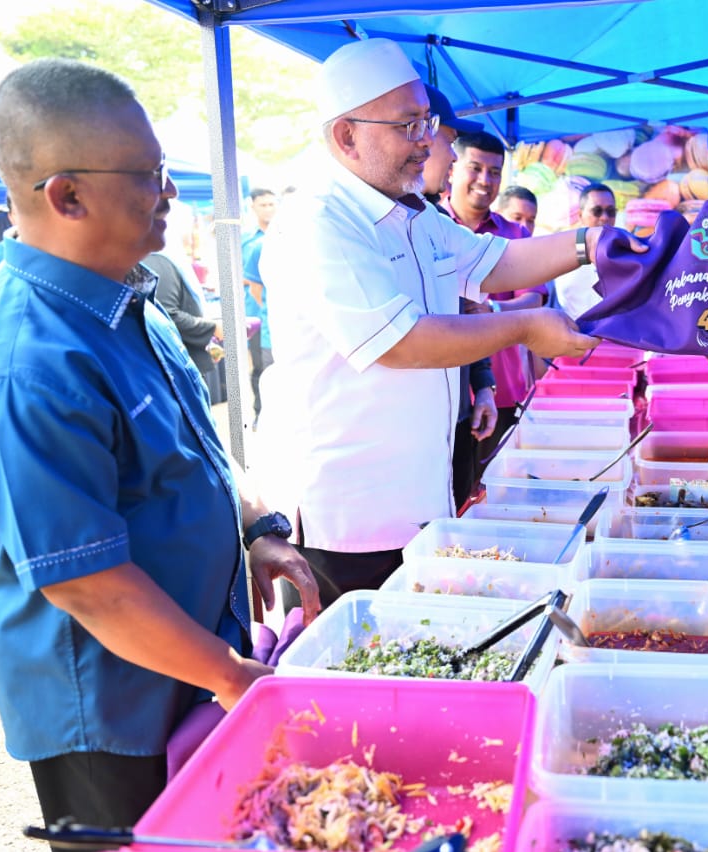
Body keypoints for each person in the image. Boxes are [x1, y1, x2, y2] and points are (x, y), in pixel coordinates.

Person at [0, 59, 320, 837]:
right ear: (66, 196)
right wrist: (229, 674)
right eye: (148, 174)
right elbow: (87, 583)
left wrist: (258, 527)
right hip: (110, 706)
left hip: (192, 659)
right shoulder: (24, 364)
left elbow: (193, 445)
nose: (168, 191)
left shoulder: (125, 296)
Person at [259, 38, 628, 609]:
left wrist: (592, 242)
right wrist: (525, 327)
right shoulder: (319, 222)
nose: (425, 141)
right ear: (347, 135)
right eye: (408, 126)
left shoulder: (414, 213)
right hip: (349, 518)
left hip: (418, 501)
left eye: (426, 123)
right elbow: (402, 342)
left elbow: (497, 263)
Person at [442, 129, 547, 469]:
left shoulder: (514, 234)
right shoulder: (431, 227)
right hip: (443, 388)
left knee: (496, 483)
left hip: (502, 386)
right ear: (452, 169)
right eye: (475, 168)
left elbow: (534, 298)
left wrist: (494, 309)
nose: (484, 180)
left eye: (494, 172)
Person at [419, 85, 498, 512]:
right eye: (448, 141)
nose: (450, 157)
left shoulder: (432, 222)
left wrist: (482, 384)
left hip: (457, 415)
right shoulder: (348, 225)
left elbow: (468, 313)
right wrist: (522, 324)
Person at [147, 250, 222, 402]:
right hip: (177, 369)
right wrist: (211, 328)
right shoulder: (159, 260)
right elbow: (167, 316)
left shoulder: (165, 258)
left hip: (181, 365)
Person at [551, 182, 618, 319]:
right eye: (597, 211)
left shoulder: (625, 251)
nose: (604, 217)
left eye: (610, 211)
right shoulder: (563, 251)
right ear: (580, 215)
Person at [242, 187, 277, 429]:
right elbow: (250, 283)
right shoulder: (247, 241)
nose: (268, 209)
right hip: (257, 316)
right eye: (263, 205)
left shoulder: (286, 236)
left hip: (278, 318)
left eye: (271, 204)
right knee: (260, 367)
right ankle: (260, 413)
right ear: (253, 206)